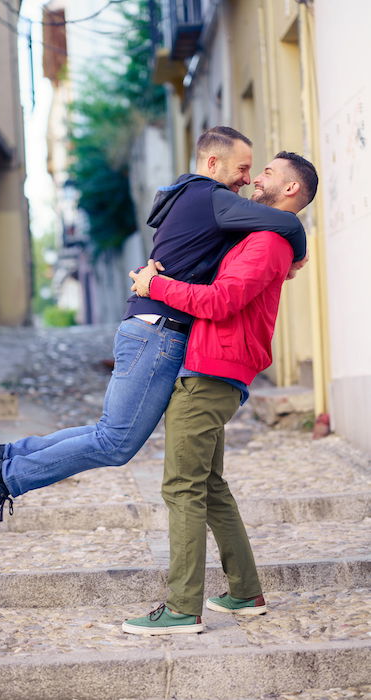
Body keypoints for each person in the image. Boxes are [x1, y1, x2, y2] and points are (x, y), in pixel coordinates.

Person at [0, 128, 307, 540]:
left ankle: (6, 456)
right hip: (158, 330)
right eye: (242, 169)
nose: (245, 180)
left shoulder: (196, 199)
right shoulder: (210, 198)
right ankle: (4, 478)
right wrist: (299, 244)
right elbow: (281, 220)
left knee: (108, 431)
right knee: (116, 442)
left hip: (151, 329)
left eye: (254, 171)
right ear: (212, 164)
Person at [122, 152, 318, 636]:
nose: (255, 178)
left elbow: (220, 301)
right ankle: (244, 591)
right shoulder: (263, 238)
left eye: (268, 172)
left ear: (290, 190)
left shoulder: (270, 241)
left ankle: (181, 608)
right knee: (209, 487)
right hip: (215, 367)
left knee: (181, 486)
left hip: (210, 372)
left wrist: (156, 284)